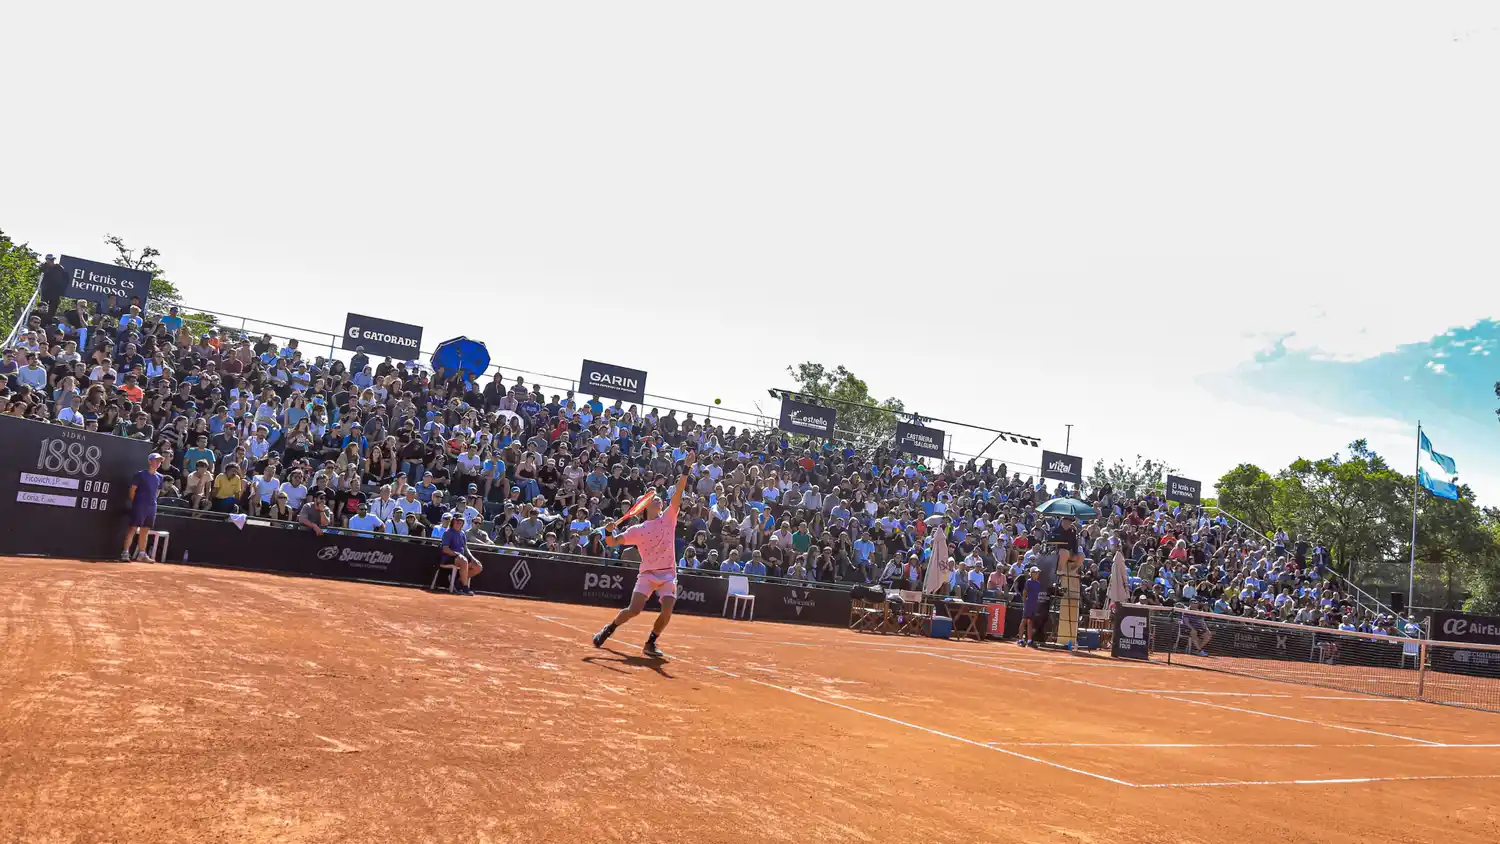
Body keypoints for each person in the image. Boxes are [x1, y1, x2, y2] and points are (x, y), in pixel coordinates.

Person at [593, 451, 693, 659]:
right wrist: (610, 531)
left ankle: (651, 642)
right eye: (655, 499)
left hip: (668, 574)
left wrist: (686, 467)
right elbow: (611, 542)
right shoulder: (636, 530)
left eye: (659, 499)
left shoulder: (669, 518)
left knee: (667, 611)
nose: (660, 500)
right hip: (647, 574)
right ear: (646, 506)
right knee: (634, 610)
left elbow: (679, 490)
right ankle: (609, 629)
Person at [120, 453, 165, 562]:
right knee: (133, 529)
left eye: (159, 461)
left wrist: (151, 502)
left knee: (145, 530)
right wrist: (136, 502)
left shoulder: (160, 477)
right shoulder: (140, 475)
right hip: (139, 506)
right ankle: (125, 553)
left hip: (152, 507)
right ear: (150, 461)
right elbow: (132, 490)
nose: (158, 463)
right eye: (156, 460)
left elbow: (157, 492)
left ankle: (142, 554)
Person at [439, 511, 483, 595]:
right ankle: (465, 588)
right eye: (457, 520)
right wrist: (457, 554)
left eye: (461, 521)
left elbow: (465, 548)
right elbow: (445, 549)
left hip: (461, 559)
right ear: (453, 521)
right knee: (464, 560)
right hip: (448, 558)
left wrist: (473, 558)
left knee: (478, 566)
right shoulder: (447, 533)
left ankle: (457, 582)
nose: (459, 522)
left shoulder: (462, 533)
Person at [1018, 566, 1043, 648]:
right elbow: (1024, 593)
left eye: (1038, 572)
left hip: (1034, 604)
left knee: (1030, 621)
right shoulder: (1028, 582)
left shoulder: (1038, 584)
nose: (1037, 574)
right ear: (1032, 574)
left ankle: (1029, 640)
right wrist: (1025, 603)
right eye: (1036, 572)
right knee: (1024, 620)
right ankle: (1020, 640)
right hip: (1028, 604)